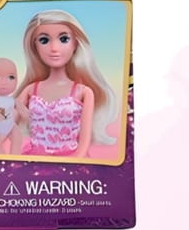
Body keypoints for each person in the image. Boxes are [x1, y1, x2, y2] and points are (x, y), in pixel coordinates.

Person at [15, 9, 116, 157]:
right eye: (44, 40)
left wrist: (72, 162)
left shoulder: (83, 92)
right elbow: (7, 122)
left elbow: (83, 144)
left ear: (75, 44)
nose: (54, 48)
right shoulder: (31, 90)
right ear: (34, 46)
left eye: (63, 39)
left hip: (70, 159)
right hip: (35, 158)